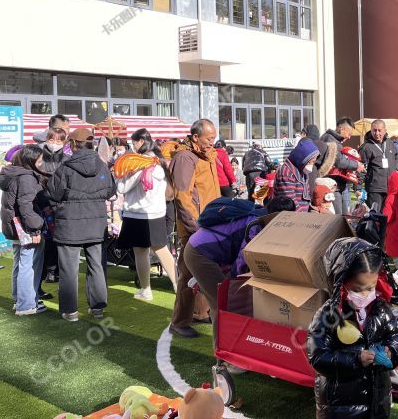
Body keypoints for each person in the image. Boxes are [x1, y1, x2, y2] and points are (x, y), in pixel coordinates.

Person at [306, 238, 398, 419]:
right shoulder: (329, 316)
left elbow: (397, 334)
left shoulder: (380, 309)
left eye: (370, 288)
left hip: (377, 399)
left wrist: (392, 350)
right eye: (358, 289)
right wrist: (355, 359)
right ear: (340, 283)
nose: (365, 294)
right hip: (340, 404)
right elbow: (318, 356)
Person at [185, 196, 295, 345]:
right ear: (276, 216)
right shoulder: (256, 223)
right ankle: (223, 360)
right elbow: (243, 257)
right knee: (223, 305)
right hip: (200, 254)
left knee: (226, 298)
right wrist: (232, 282)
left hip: (211, 251)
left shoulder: (259, 215)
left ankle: (203, 281)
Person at [45, 128, 116, 321]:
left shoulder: (65, 167)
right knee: (96, 267)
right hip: (95, 223)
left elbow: (52, 193)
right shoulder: (102, 166)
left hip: (70, 224)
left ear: (73, 145)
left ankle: (70, 311)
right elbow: (110, 190)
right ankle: (97, 308)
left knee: (69, 270)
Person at [168, 119, 220, 338]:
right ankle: (179, 321)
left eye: (213, 138)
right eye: (209, 138)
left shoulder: (204, 155)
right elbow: (182, 196)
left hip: (209, 224)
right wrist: (195, 227)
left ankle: (199, 312)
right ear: (196, 137)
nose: (212, 142)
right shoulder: (185, 158)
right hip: (196, 227)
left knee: (204, 271)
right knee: (189, 272)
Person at [114, 129, 177, 301]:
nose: (132, 146)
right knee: (163, 250)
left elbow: (122, 188)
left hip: (138, 214)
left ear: (140, 141)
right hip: (156, 212)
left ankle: (146, 289)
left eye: (134, 143)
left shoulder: (140, 163)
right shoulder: (160, 162)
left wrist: (120, 178)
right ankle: (177, 286)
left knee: (141, 253)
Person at [0, 144, 47, 316]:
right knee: (28, 265)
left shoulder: (12, 173)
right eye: (39, 160)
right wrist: (35, 229)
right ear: (31, 161)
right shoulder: (26, 177)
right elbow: (26, 206)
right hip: (25, 227)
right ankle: (26, 304)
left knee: (20, 263)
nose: (41, 163)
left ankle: (19, 300)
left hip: (15, 225)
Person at [38, 127, 70, 286]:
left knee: (60, 240)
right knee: (46, 241)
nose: (55, 143)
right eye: (52, 139)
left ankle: (56, 271)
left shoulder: (67, 160)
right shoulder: (39, 159)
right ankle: (45, 271)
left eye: (59, 140)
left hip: (62, 206)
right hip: (42, 206)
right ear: (46, 139)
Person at [321, 118, 366, 215]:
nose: (349, 137)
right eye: (349, 134)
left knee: (344, 215)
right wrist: (356, 165)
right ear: (342, 129)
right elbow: (339, 161)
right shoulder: (330, 139)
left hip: (337, 185)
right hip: (332, 186)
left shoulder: (334, 140)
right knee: (339, 218)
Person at [360, 120, 398, 212]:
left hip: (390, 187)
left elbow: (397, 157)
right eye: (374, 130)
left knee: (388, 215)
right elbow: (361, 167)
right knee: (376, 215)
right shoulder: (366, 147)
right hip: (375, 188)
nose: (377, 133)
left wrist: (396, 169)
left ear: (385, 130)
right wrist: (358, 187)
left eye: (379, 130)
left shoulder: (390, 143)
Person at [273, 138, 320, 212]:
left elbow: (305, 198)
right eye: (310, 162)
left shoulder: (302, 171)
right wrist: (304, 216)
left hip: (300, 215)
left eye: (313, 162)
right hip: (290, 216)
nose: (311, 165)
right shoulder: (286, 173)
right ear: (302, 159)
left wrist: (312, 209)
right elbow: (289, 202)